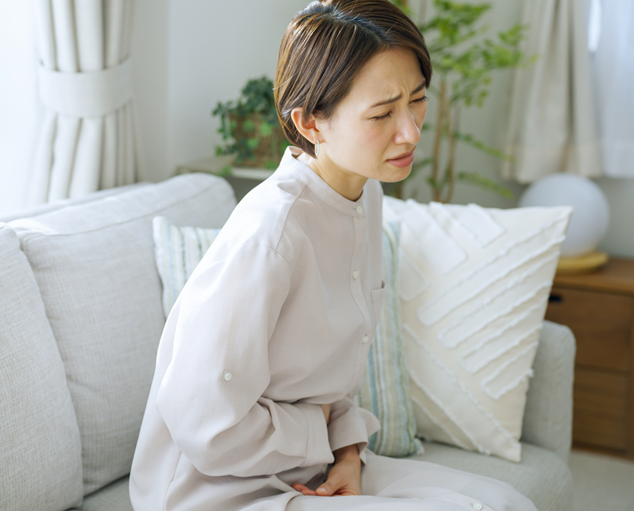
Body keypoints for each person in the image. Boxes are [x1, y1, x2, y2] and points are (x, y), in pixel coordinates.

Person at [130, 1, 539, 510]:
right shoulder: (270, 233)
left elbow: (325, 378)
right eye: (383, 113)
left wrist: (347, 452)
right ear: (310, 122)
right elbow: (205, 425)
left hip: (312, 466)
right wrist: (317, 429)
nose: (411, 131)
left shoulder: (364, 195)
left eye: (417, 100)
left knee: (506, 502)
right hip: (219, 489)